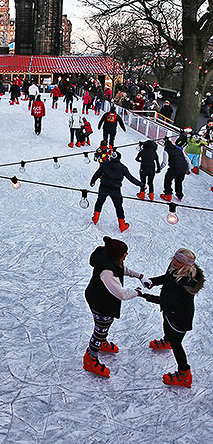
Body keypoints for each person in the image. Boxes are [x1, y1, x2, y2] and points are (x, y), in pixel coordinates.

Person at [83, 236, 148, 378]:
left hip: (101, 298)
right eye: (125, 253)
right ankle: (90, 357)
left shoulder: (109, 258)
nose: (127, 255)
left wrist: (139, 275)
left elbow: (121, 269)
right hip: (100, 303)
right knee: (100, 329)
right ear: (118, 255)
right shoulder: (107, 272)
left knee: (104, 325)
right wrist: (137, 292)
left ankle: (102, 342)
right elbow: (122, 294)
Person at [138, 248, 204, 388]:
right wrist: (152, 282)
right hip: (170, 312)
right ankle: (167, 340)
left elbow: (167, 300)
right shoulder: (175, 267)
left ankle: (184, 374)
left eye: (179, 261)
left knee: (176, 344)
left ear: (186, 265)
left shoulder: (186, 284)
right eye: (174, 258)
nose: (174, 262)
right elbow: (167, 278)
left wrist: (144, 296)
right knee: (166, 326)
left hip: (180, 317)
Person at [90, 151, 143, 231]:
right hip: (115, 190)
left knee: (100, 201)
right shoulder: (122, 167)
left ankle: (95, 218)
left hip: (104, 187)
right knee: (118, 206)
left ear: (111, 157)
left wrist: (92, 181)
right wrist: (141, 184)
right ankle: (122, 225)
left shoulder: (104, 164)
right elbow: (130, 178)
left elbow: (97, 173)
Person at [159, 137, 189, 203]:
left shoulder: (166, 150)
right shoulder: (179, 149)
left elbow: (164, 162)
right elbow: (187, 160)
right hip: (184, 168)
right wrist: (187, 169)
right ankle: (179, 195)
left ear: (165, 145)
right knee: (179, 181)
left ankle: (168, 194)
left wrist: (159, 169)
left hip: (174, 168)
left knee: (168, 180)